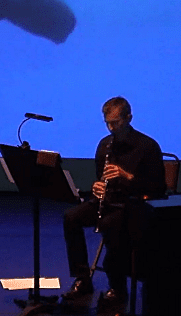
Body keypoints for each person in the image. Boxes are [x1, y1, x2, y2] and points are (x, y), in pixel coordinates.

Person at [61, 96, 166, 309]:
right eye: (107, 123)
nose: (111, 128)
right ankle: (82, 278)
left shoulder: (147, 146)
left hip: (134, 204)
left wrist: (127, 176)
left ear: (128, 118)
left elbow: (158, 187)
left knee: (111, 224)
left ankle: (117, 287)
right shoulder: (105, 145)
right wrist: (97, 188)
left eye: (115, 123)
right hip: (109, 201)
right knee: (71, 217)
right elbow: (100, 178)